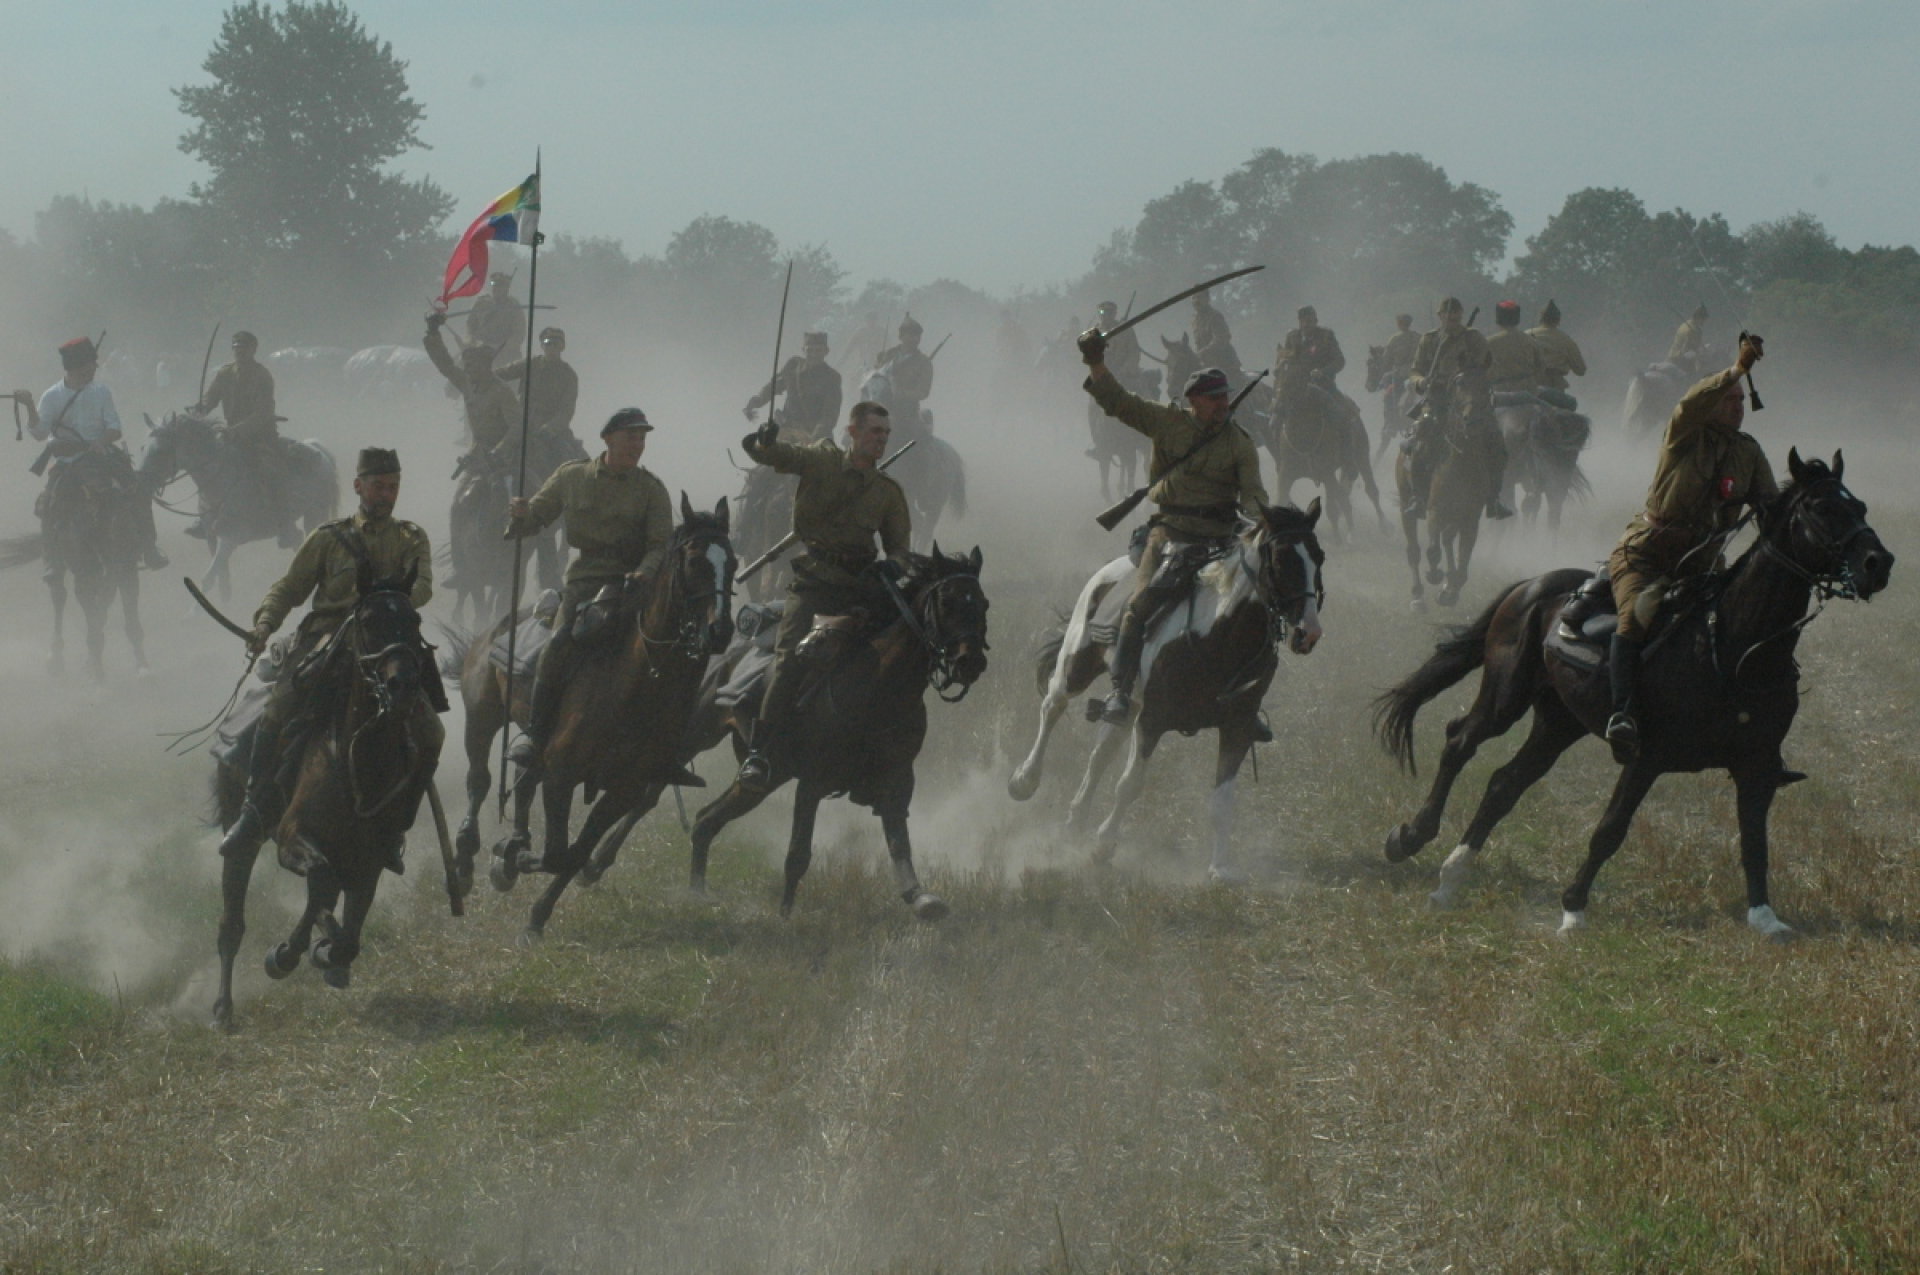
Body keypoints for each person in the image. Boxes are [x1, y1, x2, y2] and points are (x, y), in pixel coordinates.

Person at [219, 447, 436, 868]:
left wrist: (388, 597)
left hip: (385, 638)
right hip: (326, 637)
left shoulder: (411, 538)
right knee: (276, 710)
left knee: (431, 734)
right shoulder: (328, 538)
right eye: (378, 486)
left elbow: (423, 588)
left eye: (392, 487)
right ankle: (253, 808)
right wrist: (265, 624)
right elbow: (289, 588)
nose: (386, 494)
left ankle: (394, 829)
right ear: (358, 486)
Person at [1078, 328, 1269, 726]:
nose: (1223, 404)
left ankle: (1248, 705)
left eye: (1225, 396)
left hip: (1221, 538)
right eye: (1214, 398)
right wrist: (1095, 362)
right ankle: (1119, 690)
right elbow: (1118, 402)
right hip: (1170, 535)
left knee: (1254, 611)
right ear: (1194, 401)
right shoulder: (1166, 422)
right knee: (1139, 608)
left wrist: (1266, 524)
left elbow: (1253, 496)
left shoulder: (1240, 442)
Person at [1600, 336, 1773, 758]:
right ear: (1709, 402)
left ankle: (1755, 733)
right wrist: (1735, 370)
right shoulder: (1682, 432)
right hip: (1648, 554)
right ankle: (1622, 714)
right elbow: (1692, 401)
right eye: (1729, 398)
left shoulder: (1748, 452)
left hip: (1704, 563)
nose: (1738, 405)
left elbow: (1770, 508)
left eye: (1740, 400)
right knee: (1637, 617)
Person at [733, 401, 911, 792]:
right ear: (852, 431)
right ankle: (758, 754)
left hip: (861, 587)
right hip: (815, 582)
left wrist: (894, 565)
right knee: (789, 659)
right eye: (873, 431)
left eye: (885, 433)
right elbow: (781, 456)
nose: (880, 439)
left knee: (899, 652)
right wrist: (761, 443)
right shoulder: (822, 460)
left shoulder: (888, 493)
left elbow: (899, 547)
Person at [503, 407, 679, 776]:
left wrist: (644, 573)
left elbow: (660, 544)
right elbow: (537, 517)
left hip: (633, 586)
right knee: (556, 645)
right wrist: (520, 516)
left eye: (642, 438)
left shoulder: (652, 489)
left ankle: (669, 747)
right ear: (609, 438)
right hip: (585, 581)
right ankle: (535, 737)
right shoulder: (572, 476)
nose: (638, 445)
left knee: (670, 650)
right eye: (631, 437)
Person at [14, 336, 166, 569]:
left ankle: (149, 548)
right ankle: (52, 561)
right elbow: (39, 433)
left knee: (137, 492)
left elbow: (114, 427)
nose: (94, 368)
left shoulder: (102, 391)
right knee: (49, 507)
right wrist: (29, 405)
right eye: (90, 365)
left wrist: (101, 441)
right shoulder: (51, 395)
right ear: (76, 367)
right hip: (66, 462)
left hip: (100, 459)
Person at [1403, 298, 1513, 521]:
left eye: (1456, 317)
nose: (1452, 320)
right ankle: (1419, 498)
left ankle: (1494, 499)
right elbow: (1415, 370)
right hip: (1437, 399)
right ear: (1440, 316)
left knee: (1496, 442)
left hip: (1469, 400)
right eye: (1448, 316)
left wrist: (1472, 373)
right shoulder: (1430, 339)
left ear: (1461, 316)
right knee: (1420, 438)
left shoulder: (1474, 338)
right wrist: (1422, 382)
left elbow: (1489, 367)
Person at [496, 327, 587, 589]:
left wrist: (550, 429)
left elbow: (566, 409)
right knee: (490, 462)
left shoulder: (568, 375)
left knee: (576, 467)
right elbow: (500, 376)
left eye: (556, 343)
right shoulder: (529, 364)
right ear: (541, 345)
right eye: (547, 342)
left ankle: (570, 522)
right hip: (521, 428)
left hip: (552, 432)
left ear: (562, 346)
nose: (551, 347)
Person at [191, 329, 296, 542]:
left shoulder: (262, 375)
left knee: (271, 471)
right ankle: (205, 517)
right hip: (230, 437)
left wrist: (236, 430)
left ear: (253, 349)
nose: (239, 352)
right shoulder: (224, 373)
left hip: (260, 436)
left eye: (244, 348)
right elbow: (210, 399)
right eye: (236, 348)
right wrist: (199, 410)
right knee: (206, 469)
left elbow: (263, 413)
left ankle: (285, 524)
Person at [424, 311, 520, 462]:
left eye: (472, 366)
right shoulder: (467, 383)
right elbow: (445, 365)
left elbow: (517, 427)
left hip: (507, 457)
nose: (467, 369)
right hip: (478, 453)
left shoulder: (502, 391)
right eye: (467, 365)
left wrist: (499, 450)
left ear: (485, 366)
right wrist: (433, 331)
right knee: (465, 486)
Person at [744, 330, 844, 442]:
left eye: (818, 350)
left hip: (815, 434)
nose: (814, 354)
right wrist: (755, 403)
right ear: (803, 350)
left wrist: (814, 439)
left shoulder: (832, 377)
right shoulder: (793, 367)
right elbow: (773, 387)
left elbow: (829, 414)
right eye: (810, 350)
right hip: (787, 429)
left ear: (826, 351)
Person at [874, 316, 935, 440]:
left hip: (907, 412)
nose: (914, 339)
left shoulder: (924, 362)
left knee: (913, 441)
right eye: (910, 335)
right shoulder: (888, 355)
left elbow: (923, 392)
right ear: (901, 336)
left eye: (917, 336)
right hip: (880, 407)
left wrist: (901, 394)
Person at [1527, 299, 1587, 404]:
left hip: (1530, 388)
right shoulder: (1566, 340)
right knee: (1571, 407)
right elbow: (1580, 370)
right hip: (1555, 389)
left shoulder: (1526, 335)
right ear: (1558, 320)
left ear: (1541, 318)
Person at [1485, 300, 1546, 395]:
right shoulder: (1531, 341)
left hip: (1499, 393)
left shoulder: (1488, 343)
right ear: (1517, 319)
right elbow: (1541, 368)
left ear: (1498, 319)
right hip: (1528, 392)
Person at [467, 272, 525, 366]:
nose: (496, 288)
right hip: (481, 350)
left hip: (506, 354)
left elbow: (519, 333)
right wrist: (471, 341)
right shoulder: (481, 303)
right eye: (494, 285)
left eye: (500, 285)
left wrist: (503, 348)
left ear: (506, 288)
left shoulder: (513, 306)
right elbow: (470, 326)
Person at [1190, 291, 1245, 381]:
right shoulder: (1194, 319)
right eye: (1193, 297)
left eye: (1199, 297)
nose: (1196, 300)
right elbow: (1198, 343)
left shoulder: (1215, 316)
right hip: (1205, 364)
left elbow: (1222, 339)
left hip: (1225, 364)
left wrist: (1203, 352)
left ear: (1207, 299)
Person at [1668, 303, 1710, 376]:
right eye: (1703, 319)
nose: (1704, 322)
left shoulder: (1695, 328)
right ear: (1698, 317)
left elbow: (1698, 345)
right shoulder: (1689, 330)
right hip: (1678, 358)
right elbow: (1687, 349)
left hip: (1681, 356)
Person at [1382, 313, 1420, 383]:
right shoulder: (1418, 337)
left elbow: (1386, 359)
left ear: (1399, 324)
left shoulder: (1394, 339)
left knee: (1386, 385)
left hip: (1399, 375)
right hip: (1416, 372)